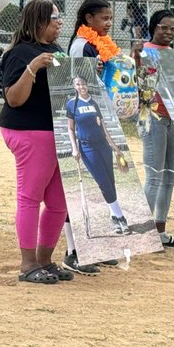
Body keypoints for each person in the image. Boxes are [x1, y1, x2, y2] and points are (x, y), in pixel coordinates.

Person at [0, 0, 74, 285]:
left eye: (60, 17)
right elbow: (14, 99)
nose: (60, 22)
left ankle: (45, 259)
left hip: (55, 130)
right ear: (39, 21)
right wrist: (32, 68)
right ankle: (27, 263)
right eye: (55, 17)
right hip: (29, 130)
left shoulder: (56, 51)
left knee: (58, 202)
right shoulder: (20, 53)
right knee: (30, 196)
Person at [136, 10, 174, 248]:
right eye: (163, 27)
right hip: (152, 116)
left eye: (172, 29)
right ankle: (142, 234)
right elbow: (138, 80)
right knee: (154, 175)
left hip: (171, 117)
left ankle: (159, 230)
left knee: (169, 175)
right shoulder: (143, 51)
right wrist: (136, 59)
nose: (168, 32)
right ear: (153, 27)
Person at [65, 77, 130, 235]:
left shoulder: (94, 103)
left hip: (103, 146)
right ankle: (121, 217)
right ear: (75, 87)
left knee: (110, 181)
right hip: (87, 147)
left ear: (87, 85)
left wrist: (115, 148)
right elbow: (71, 129)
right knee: (102, 181)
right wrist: (74, 148)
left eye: (83, 83)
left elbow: (103, 127)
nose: (81, 86)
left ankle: (113, 217)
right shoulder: (71, 104)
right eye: (78, 84)